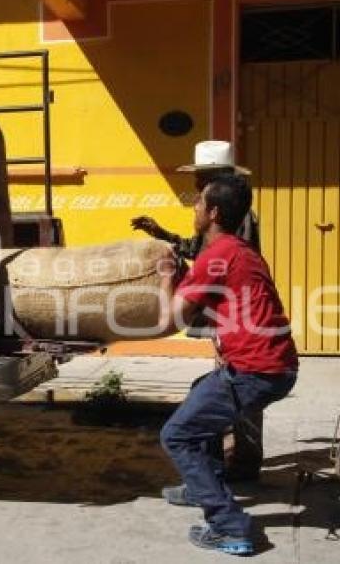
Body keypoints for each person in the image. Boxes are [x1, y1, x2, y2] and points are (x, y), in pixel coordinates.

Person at [157, 173, 298, 555]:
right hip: (276, 364)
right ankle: (203, 484)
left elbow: (174, 319)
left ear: (214, 212)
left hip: (257, 369)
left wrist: (169, 279)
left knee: (177, 435)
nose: (195, 208)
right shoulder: (243, 251)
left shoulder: (215, 255)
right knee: (199, 393)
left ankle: (231, 527)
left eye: (199, 202)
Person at [132, 140, 264, 483]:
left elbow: (222, 262)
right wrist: (161, 233)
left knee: (237, 387)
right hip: (226, 311)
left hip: (233, 314)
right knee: (225, 386)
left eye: (200, 177)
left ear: (216, 176)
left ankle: (243, 463)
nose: (194, 185)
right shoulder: (218, 213)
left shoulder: (237, 217)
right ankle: (225, 458)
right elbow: (200, 250)